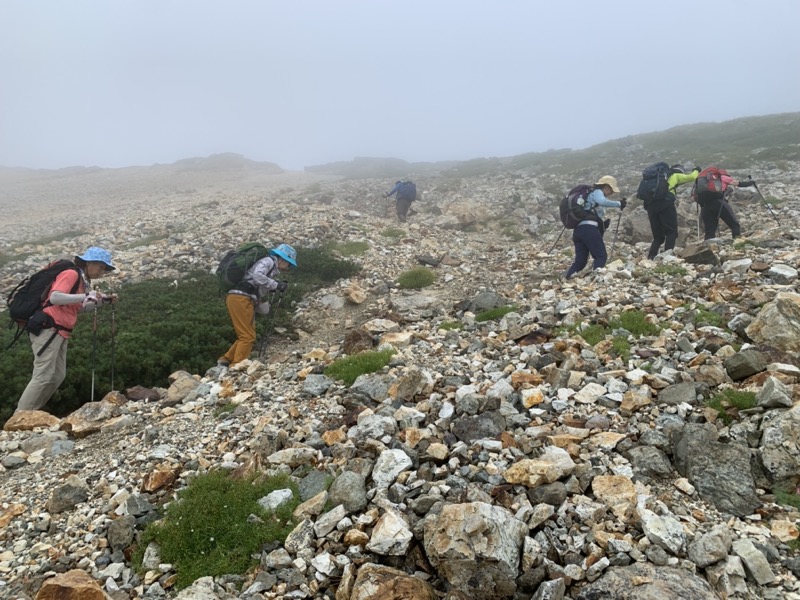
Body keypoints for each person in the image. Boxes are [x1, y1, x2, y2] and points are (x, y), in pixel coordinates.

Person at [16, 246, 117, 413]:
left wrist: (103, 301)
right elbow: (55, 297)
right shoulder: (71, 274)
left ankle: (32, 412)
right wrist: (86, 295)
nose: (102, 272)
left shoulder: (83, 280)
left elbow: (79, 307)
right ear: (90, 263)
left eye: (104, 269)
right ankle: (20, 415)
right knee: (43, 375)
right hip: (49, 328)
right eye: (101, 267)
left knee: (57, 376)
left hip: (60, 331)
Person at [218, 243, 297, 367]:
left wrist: (271, 287)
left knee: (247, 333)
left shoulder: (269, 265)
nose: (288, 267)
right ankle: (237, 365)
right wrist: (276, 285)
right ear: (282, 259)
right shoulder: (268, 261)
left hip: (240, 298)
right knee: (247, 336)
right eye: (288, 263)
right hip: (241, 298)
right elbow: (257, 276)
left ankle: (226, 359)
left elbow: (258, 283)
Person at [565, 176, 626, 279]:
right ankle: (595, 282)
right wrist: (619, 204)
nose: (611, 193)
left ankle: (566, 279)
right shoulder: (597, 192)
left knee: (580, 262)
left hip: (579, 231)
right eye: (611, 190)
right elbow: (602, 202)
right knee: (601, 256)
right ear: (606, 186)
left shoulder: (589, 196)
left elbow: (593, 214)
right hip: (589, 229)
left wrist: (603, 225)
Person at [646, 164, 699, 259]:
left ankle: (651, 257)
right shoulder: (675, 175)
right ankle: (667, 256)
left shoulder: (658, 177)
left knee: (658, 236)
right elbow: (692, 177)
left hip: (651, 206)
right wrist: (696, 169)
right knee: (671, 232)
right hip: (666, 204)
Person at [698, 170, 756, 241]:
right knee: (734, 225)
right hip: (719, 203)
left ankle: (709, 249)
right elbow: (738, 183)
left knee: (710, 231)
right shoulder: (723, 177)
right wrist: (751, 182)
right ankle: (737, 244)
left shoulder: (705, 182)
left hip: (705, 206)